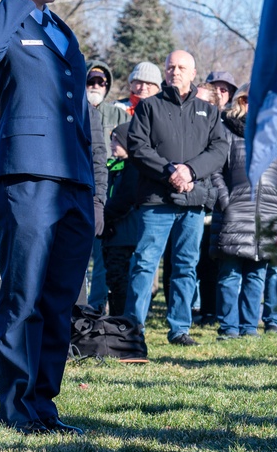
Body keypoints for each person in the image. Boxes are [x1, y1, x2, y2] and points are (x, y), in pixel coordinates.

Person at [0, 0, 95, 435]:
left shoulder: (61, 31)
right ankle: (18, 406)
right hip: (26, 178)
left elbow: (78, 111)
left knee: (60, 298)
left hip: (73, 180)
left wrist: (93, 186)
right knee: (24, 294)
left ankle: (45, 404)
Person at [125, 50, 229, 346]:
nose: (175, 72)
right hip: (156, 199)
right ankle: (134, 328)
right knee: (145, 263)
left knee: (186, 265)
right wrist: (170, 171)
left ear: (193, 73)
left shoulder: (208, 111)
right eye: (170, 67)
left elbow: (219, 149)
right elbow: (137, 146)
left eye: (182, 67)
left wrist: (191, 171)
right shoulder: (149, 107)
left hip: (193, 201)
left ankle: (180, 328)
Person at [210, 83, 277, 339]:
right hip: (234, 213)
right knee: (230, 276)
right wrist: (225, 201)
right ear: (240, 102)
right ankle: (228, 328)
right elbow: (215, 171)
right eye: (248, 100)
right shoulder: (226, 132)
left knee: (257, 276)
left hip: (267, 216)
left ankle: (249, 328)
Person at [85, 60, 129, 310]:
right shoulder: (72, 110)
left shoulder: (118, 114)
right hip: (80, 187)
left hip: (111, 192)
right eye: (90, 80)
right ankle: (77, 303)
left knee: (102, 254)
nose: (95, 86)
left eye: (101, 82)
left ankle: (97, 304)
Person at [102, 123, 140, 318]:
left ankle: (123, 320)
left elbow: (125, 199)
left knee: (121, 278)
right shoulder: (114, 167)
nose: (112, 143)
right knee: (114, 278)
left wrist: (104, 216)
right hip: (113, 233)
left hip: (125, 234)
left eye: (117, 139)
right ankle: (116, 318)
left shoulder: (133, 168)